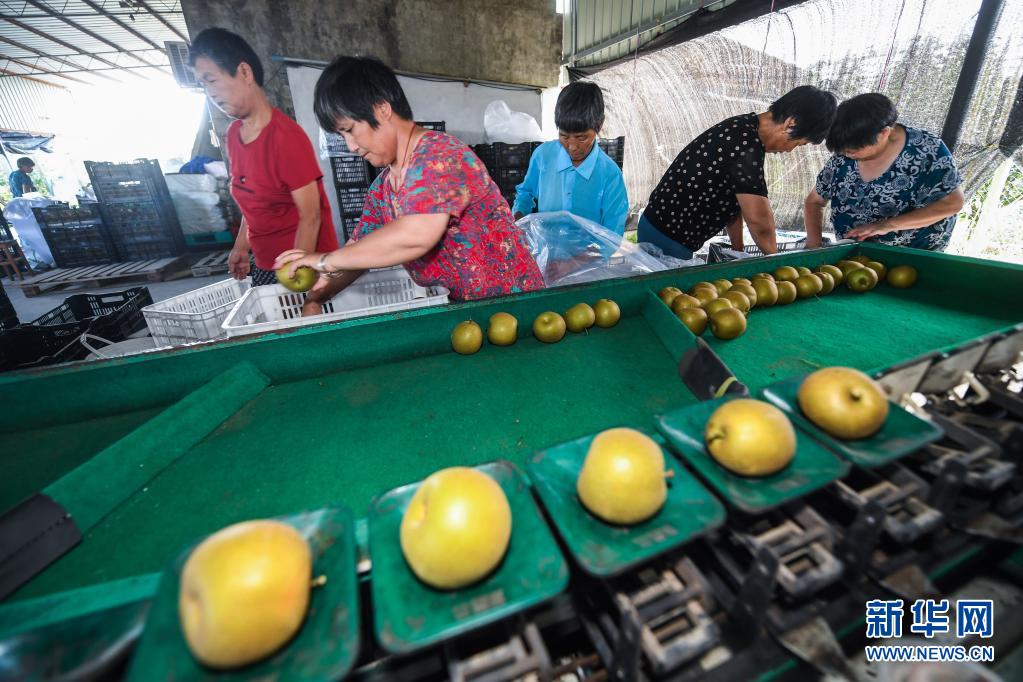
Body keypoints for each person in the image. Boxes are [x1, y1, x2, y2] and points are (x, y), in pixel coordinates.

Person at [275, 56, 544, 305]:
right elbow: (358, 254)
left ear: (381, 109)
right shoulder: (382, 189)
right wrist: (317, 296)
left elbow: (414, 236)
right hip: (465, 312)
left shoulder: (438, 156)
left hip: (513, 304)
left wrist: (324, 260)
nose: (351, 146)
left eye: (350, 130)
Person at [189, 28, 339, 286]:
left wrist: (297, 270)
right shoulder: (235, 135)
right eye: (202, 84)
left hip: (303, 267)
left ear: (244, 73)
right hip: (266, 264)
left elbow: (311, 216)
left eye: (211, 79)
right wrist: (241, 248)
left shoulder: (285, 138)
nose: (209, 93)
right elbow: (254, 201)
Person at [639, 85, 837, 258]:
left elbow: (733, 200)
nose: (788, 150)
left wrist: (737, 248)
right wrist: (777, 264)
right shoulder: (745, 145)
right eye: (798, 143)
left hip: (664, 231)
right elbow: (759, 219)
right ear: (790, 124)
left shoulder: (744, 130)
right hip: (667, 236)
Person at [804, 93, 964, 250]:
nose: (848, 155)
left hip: (914, 257)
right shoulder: (844, 152)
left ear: (884, 133)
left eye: (853, 150)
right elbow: (814, 201)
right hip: (855, 256)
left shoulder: (927, 150)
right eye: (843, 151)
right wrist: (813, 246)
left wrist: (886, 225)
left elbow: (953, 203)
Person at [513, 81, 628, 233]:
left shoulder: (610, 175)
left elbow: (612, 234)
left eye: (581, 137)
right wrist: (518, 216)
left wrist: (582, 257)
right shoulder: (543, 156)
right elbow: (525, 193)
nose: (572, 147)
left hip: (588, 255)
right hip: (545, 250)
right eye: (564, 136)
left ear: (599, 125)